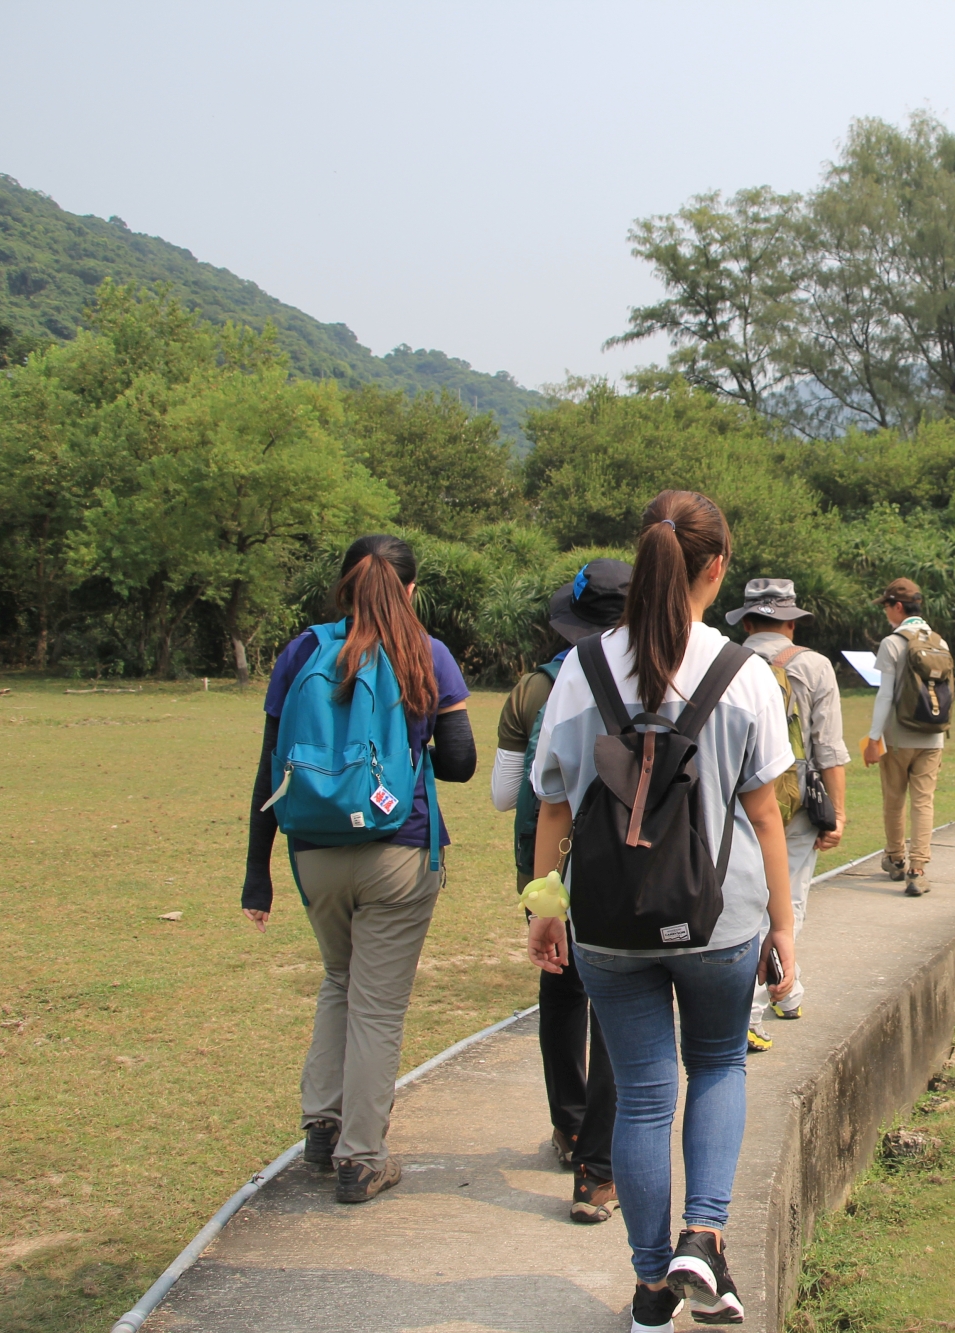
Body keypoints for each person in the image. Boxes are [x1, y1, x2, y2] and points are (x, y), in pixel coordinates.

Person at [526, 491, 796, 1332]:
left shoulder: (582, 669)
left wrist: (544, 906)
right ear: (715, 569)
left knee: (644, 1097)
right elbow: (764, 814)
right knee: (717, 1065)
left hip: (607, 921)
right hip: (719, 919)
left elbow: (554, 804)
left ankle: (650, 1288)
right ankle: (702, 1238)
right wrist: (784, 927)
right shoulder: (744, 674)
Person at [242, 534, 477, 1205]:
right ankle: (361, 1157)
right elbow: (459, 763)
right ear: (408, 589)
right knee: (377, 1004)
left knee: (339, 980)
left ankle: (323, 1123)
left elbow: (269, 768)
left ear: (345, 584)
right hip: (397, 852)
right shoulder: (426, 654)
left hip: (313, 852)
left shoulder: (301, 651)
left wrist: (255, 875)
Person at [491, 558, 629, 1224]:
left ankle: (568, 1125)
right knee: (615, 1005)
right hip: (627, 869)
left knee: (561, 988)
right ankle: (595, 1170)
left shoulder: (536, 687)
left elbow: (506, 794)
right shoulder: (653, 675)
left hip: (553, 866)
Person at [727, 578, 848, 1050]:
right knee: (786, 899)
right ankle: (753, 1008)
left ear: (749, 622)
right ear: (790, 623)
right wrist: (836, 812)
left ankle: (787, 990)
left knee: (740, 895)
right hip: (794, 800)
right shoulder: (813, 665)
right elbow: (829, 748)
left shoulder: (724, 662)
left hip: (734, 798)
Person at [865, 577, 946, 897]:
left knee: (894, 799)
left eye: (886, 606)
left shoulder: (892, 643)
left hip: (898, 737)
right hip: (933, 737)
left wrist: (873, 739)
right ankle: (918, 870)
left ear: (898, 607)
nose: (885, 612)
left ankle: (896, 859)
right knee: (923, 802)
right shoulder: (940, 642)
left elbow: (885, 696)